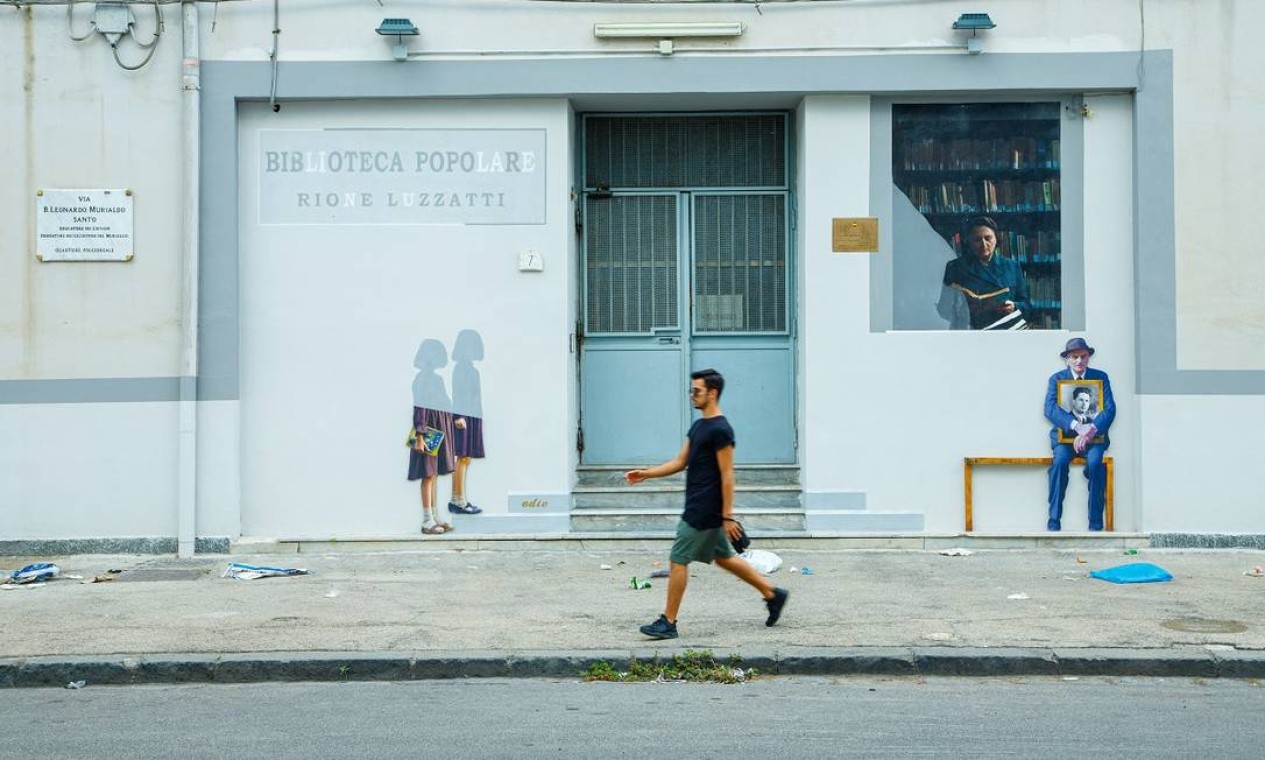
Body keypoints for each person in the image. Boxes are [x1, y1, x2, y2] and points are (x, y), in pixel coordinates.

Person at [625, 368, 788, 640]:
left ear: (712, 393)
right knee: (725, 559)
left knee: (678, 560)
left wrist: (727, 516)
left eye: (697, 391)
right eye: (692, 390)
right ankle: (773, 595)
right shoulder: (700, 426)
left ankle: (668, 621)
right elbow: (680, 462)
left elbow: (727, 475)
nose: (692, 395)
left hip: (704, 509)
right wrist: (646, 474)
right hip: (700, 505)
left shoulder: (721, 430)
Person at [1043, 337, 1116, 531]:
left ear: (1088, 357)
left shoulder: (1101, 377)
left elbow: (1109, 410)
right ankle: (1053, 521)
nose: (1079, 361)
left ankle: (1095, 523)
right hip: (1064, 440)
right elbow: (1050, 409)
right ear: (1067, 359)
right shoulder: (1056, 379)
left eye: (1083, 357)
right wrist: (1076, 427)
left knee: (1095, 465)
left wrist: (1090, 430)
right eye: (1074, 357)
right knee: (1058, 464)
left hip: (1094, 439)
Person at [937, 215, 1032, 330]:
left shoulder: (1011, 266)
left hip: (1006, 331)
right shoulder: (955, 267)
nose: (984, 244)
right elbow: (943, 309)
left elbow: (1027, 305)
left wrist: (1014, 306)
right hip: (970, 332)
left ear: (996, 239)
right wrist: (965, 311)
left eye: (988, 238)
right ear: (968, 242)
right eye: (977, 240)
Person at [448, 329, 485, 516]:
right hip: (464, 417)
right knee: (462, 457)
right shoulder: (462, 369)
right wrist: (458, 416)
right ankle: (458, 500)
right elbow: (459, 394)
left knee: (465, 458)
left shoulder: (470, 369)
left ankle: (459, 499)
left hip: (472, 416)